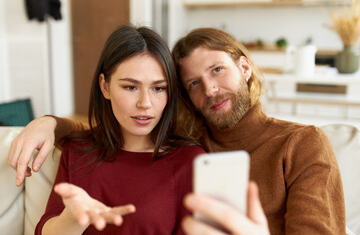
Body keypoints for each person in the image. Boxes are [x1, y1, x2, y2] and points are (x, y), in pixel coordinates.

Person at [8, 27, 346, 235]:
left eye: (218, 70)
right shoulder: (196, 144)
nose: (211, 90)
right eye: (194, 83)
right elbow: (116, 141)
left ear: (245, 67)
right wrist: (50, 123)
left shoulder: (301, 143)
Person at [27, 25, 206, 235]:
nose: (145, 103)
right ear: (105, 86)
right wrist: (73, 219)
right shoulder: (77, 149)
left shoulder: (190, 160)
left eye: (158, 88)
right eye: (130, 87)